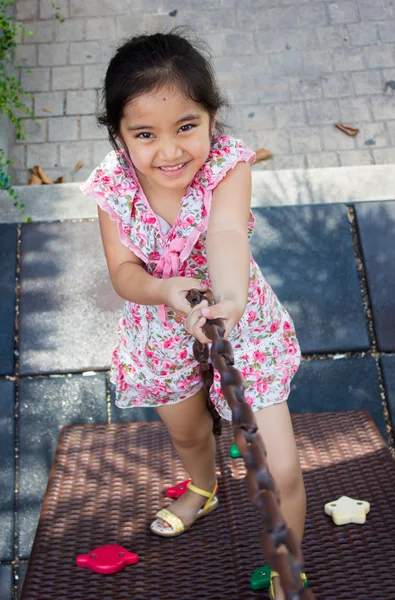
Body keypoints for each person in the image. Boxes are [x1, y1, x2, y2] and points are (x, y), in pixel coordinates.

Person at [81, 30, 305, 600]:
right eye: (145, 134)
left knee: (280, 468)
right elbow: (122, 272)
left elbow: (226, 232)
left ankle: (288, 571)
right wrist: (161, 289)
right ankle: (203, 486)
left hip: (240, 320)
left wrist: (227, 301)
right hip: (160, 324)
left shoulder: (228, 165)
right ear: (119, 135)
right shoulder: (113, 188)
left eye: (187, 126)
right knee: (188, 432)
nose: (171, 151)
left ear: (211, 119)